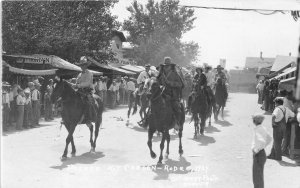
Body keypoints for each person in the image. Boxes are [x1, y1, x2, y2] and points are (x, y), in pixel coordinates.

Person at [158, 57, 184, 125]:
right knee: (152, 103)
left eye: (168, 65)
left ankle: (177, 123)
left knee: (177, 108)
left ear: (170, 65)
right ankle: (148, 120)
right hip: (162, 92)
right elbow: (157, 80)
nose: (166, 67)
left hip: (172, 93)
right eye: (165, 65)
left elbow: (180, 84)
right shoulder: (161, 72)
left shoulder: (175, 73)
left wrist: (170, 83)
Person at [251, 114, 272, 188]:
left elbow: (262, 141)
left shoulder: (257, 129)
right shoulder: (263, 128)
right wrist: (263, 147)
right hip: (262, 153)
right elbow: (269, 139)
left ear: (254, 121)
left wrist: (256, 150)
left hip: (258, 154)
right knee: (259, 176)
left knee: (257, 177)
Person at [74, 56, 95, 128]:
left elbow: (88, 83)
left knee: (88, 102)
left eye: (83, 65)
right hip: (79, 90)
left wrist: (77, 85)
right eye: (81, 65)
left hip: (87, 90)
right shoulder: (79, 74)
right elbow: (77, 82)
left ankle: (89, 118)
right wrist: (75, 84)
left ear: (86, 65)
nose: (82, 66)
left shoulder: (89, 73)